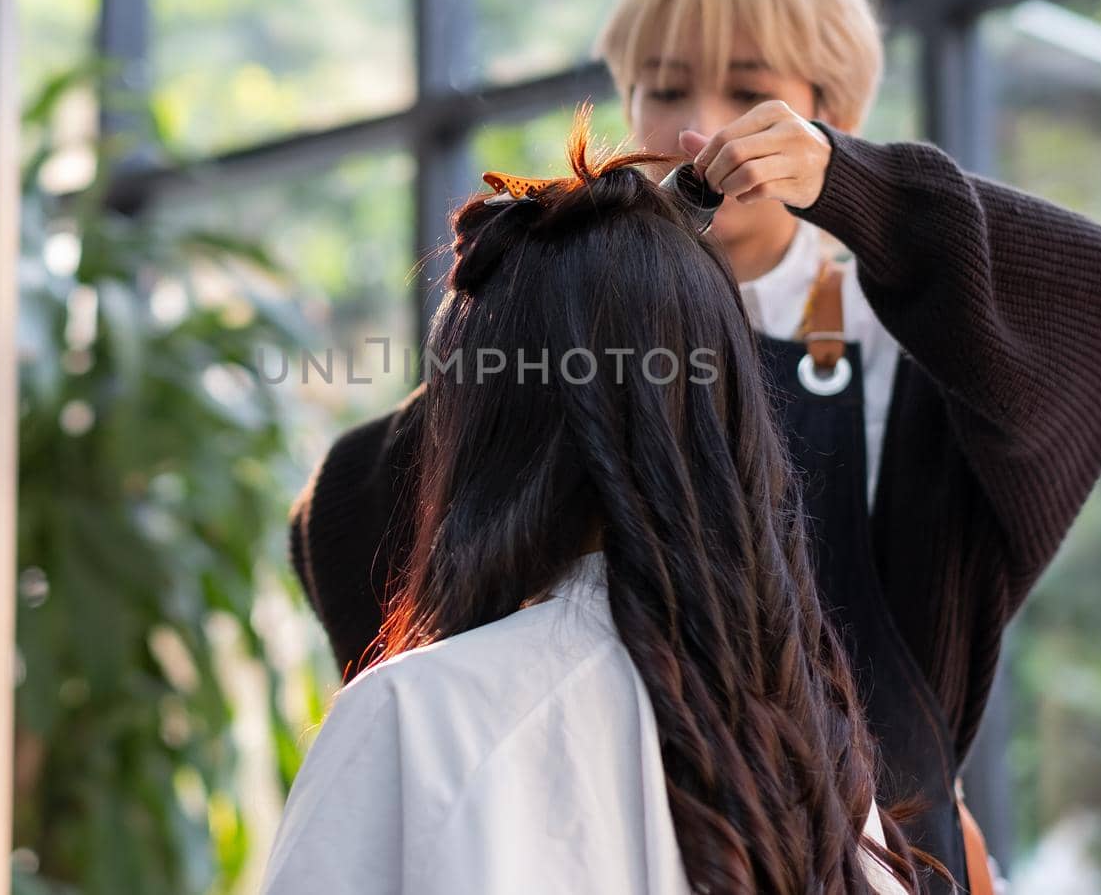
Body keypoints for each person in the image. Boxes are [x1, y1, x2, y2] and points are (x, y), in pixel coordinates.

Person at [286, 0, 1101, 893]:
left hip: (878, 855)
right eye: (664, 89)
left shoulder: (904, 345)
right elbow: (347, 511)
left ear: (829, 113)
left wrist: (859, 187)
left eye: (750, 92)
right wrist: (561, 292)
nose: (698, 128)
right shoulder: (578, 339)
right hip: (613, 839)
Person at [261, 115, 918, 894]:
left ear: (476, 425)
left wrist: (511, 327)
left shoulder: (413, 717)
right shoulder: (807, 765)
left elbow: (342, 489)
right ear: (730, 419)